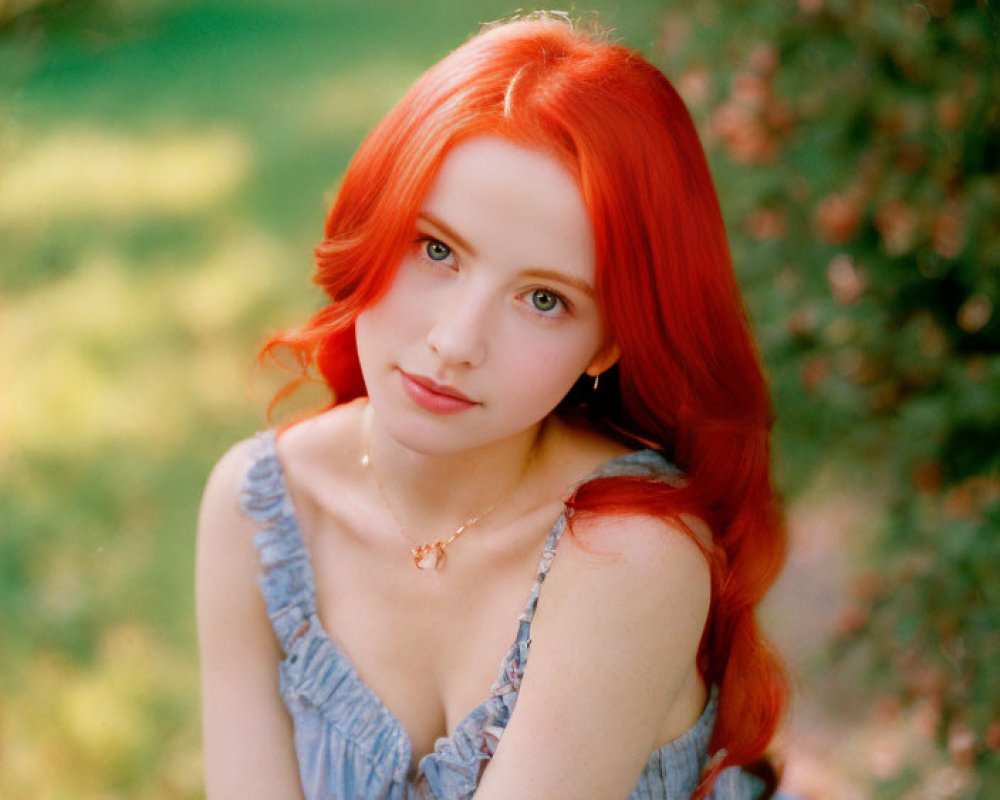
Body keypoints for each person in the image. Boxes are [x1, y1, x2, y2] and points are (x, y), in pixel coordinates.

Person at [196, 12, 789, 800]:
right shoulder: (261, 510)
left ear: (609, 343)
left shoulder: (629, 556)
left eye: (544, 299)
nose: (455, 341)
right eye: (436, 249)